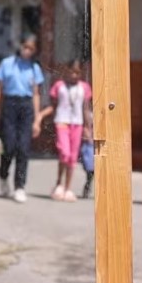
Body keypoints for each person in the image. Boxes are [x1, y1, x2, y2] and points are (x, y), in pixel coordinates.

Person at [0, 34, 44, 203]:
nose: (27, 51)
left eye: (31, 49)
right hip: (10, 105)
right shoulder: (7, 64)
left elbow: (36, 94)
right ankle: (3, 176)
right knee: (9, 146)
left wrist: (37, 119)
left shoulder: (34, 68)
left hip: (26, 108)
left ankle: (20, 186)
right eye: (25, 47)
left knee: (23, 148)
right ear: (20, 46)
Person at [39, 62, 91, 202]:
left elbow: (85, 108)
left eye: (77, 72)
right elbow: (53, 105)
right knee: (64, 153)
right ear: (66, 71)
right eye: (71, 72)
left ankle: (68, 188)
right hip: (62, 121)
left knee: (72, 158)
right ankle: (58, 183)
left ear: (80, 73)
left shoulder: (84, 88)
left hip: (77, 124)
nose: (74, 75)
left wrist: (88, 127)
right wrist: (41, 116)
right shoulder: (59, 86)